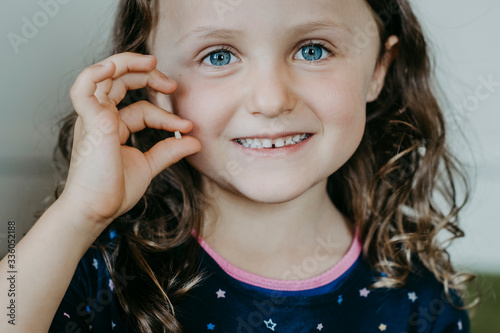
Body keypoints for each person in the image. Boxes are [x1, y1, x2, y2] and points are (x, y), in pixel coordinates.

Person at [0, 0, 477, 332]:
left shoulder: (419, 300)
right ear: (151, 79)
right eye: (219, 55)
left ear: (379, 68)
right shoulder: (100, 265)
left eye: (313, 49)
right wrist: (77, 214)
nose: (270, 99)